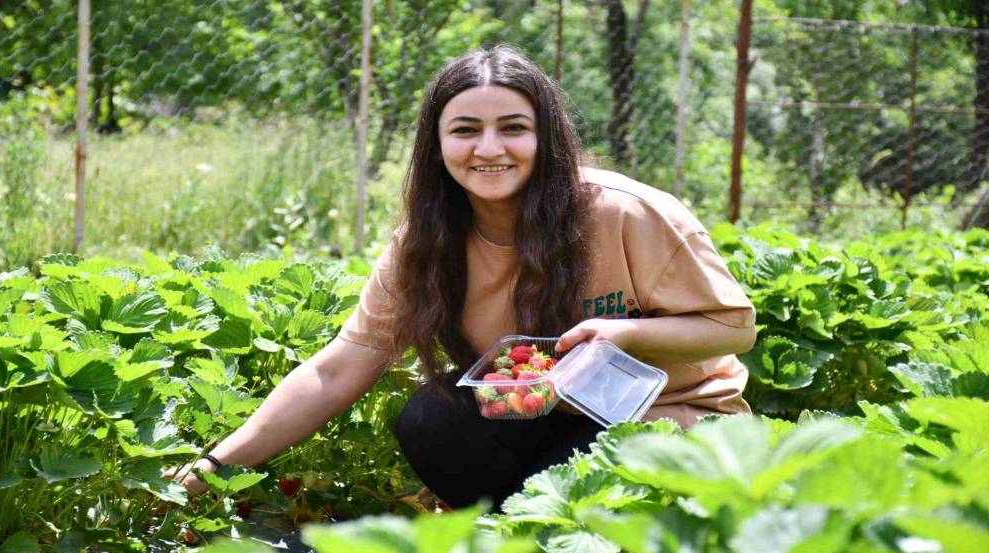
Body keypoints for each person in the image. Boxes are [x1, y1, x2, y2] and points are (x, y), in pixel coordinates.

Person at [169, 45, 756, 511]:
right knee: (431, 417)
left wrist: (621, 334)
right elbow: (338, 367)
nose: (490, 148)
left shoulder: (623, 212)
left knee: (594, 467)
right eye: (466, 129)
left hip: (658, 422)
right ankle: (520, 535)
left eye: (513, 128)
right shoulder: (428, 243)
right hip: (531, 422)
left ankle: (542, 535)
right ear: (438, 145)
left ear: (545, 137)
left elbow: (732, 329)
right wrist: (215, 467)